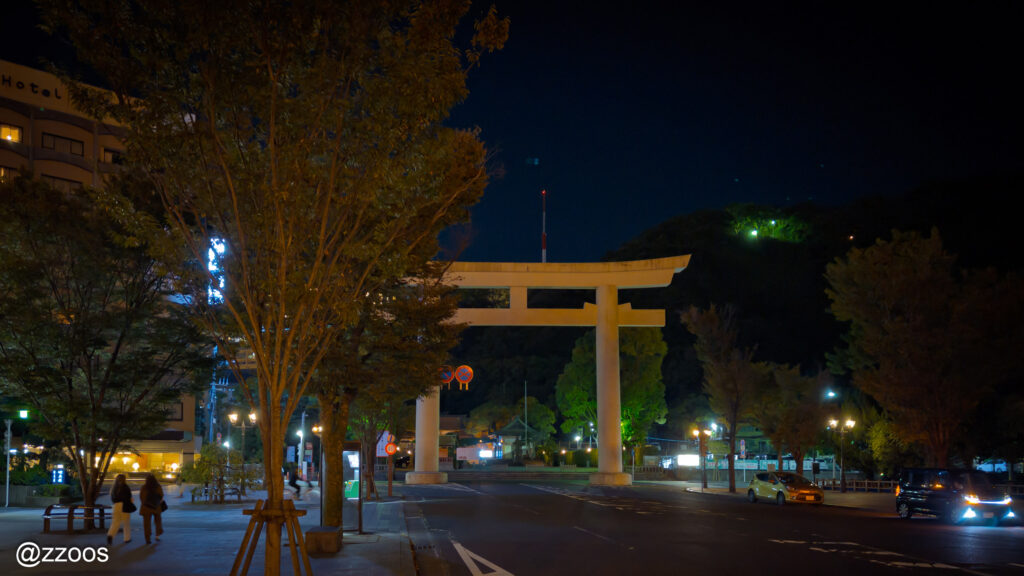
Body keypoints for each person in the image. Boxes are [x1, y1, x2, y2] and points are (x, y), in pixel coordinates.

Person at [107, 474, 134, 545]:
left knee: (115, 522)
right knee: (126, 523)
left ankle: (110, 535)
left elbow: (112, 498)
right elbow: (129, 497)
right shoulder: (126, 487)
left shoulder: (114, 488)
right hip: (125, 505)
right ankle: (127, 538)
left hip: (116, 505)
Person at [139, 473, 165, 544]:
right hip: (156, 507)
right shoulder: (158, 487)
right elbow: (161, 496)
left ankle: (148, 538)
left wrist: (144, 503)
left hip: (146, 507)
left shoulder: (144, 487)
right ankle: (157, 535)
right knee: (158, 521)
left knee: (146, 524)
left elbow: (141, 497)